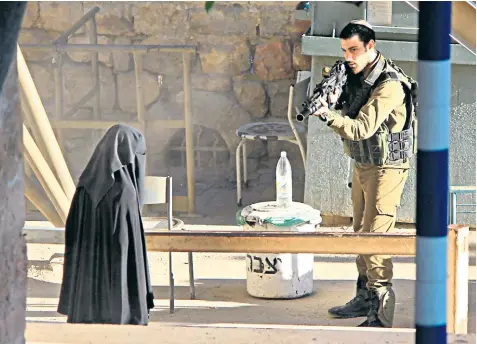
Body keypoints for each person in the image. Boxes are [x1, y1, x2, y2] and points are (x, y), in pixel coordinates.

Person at [313, 20, 417, 327]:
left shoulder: (389, 85)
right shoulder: (356, 76)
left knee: (375, 237)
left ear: (370, 46)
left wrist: (327, 115)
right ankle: (364, 297)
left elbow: (361, 128)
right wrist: (332, 97)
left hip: (387, 169)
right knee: (360, 233)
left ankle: (381, 311)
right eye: (345, 50)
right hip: (363, 165)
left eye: (354, 50)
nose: (349, 57)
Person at [57, 124, 155, 325]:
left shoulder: (86, 182)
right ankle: (123, 311)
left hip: (88, 263)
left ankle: (89, 310)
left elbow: (73, 228)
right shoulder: (125, 191)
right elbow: (127, 243)